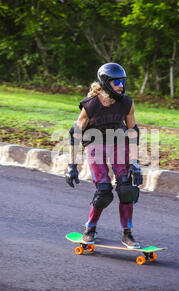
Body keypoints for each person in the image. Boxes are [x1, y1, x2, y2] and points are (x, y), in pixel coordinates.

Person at [65, 62, 143, 249]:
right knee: (104, 192)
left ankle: (127, 233)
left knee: (126, 189)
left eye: (123, 81)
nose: (121, 85)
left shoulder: (126, 103)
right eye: (117, 82)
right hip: (95, 144)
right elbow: (75, 134)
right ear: (106, 83)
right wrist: (71, 166)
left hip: (118, 142)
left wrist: (135, 163)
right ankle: (90, 229)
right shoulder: (91, 105)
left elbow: (133, 132)